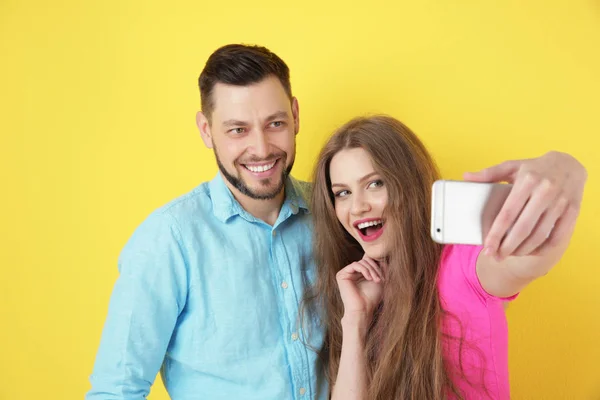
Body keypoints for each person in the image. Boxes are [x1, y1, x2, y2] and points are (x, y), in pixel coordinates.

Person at [86, 44, 327, 399]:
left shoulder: (333, 213)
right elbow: (116, 390)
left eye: (275, 124)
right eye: (238, 130)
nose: (261, 148)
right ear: (206, 130)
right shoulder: (169, 239)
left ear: (295, 115)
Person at [307, 115, 586, 399]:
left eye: (375, 184)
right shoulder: (362, 290)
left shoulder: (461, 265)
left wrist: (566, 170)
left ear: (409, 183)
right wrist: (356, 320)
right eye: (342, 193)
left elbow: (531, 258)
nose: (357, 207)